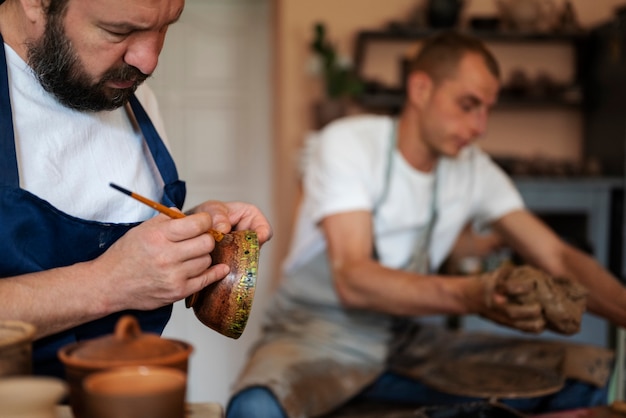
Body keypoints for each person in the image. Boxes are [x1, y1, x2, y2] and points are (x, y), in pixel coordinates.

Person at [226, 30, 626, 418]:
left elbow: (556, 255)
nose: (480, 127)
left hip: (405, 340)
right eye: (468, 105)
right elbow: (352, 277)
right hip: (313, 336)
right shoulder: (349, 143)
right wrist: (474, 295)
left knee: (589, 376)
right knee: (255, 408)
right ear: (420, 89)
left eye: (487, 109)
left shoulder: (473, 170)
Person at [0, 0, 272, 379]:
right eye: (119, 31)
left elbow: (116, 226)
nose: (149, 61)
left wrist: (194, 230)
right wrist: (107, 284)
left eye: (166, 26)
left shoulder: (133, 100)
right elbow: (118, 272)